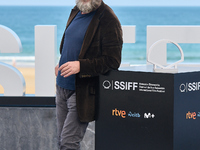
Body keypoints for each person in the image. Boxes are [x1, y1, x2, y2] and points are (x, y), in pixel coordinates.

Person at [55, 0, 123, 149]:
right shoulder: (76, 11)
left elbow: (112, 61)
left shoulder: (108, 19)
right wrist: (62, 62)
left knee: (68, 142)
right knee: (61, 140)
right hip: (61, 87)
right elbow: (72, 43)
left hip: (82, 92)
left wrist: (81, 66)